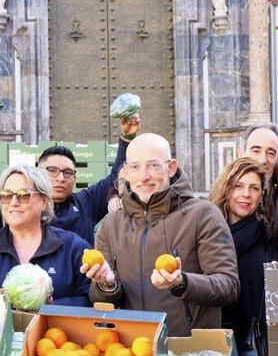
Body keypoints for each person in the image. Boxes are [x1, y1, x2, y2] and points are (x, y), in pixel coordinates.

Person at [83, 133, 238, 336]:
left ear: (171, 167)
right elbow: (101, 300)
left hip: (190, 350)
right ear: (126, 172)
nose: (143, 176)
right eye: (135, 167)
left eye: (153, 165)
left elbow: (228, 286)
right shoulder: (111, 224)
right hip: (135, 351)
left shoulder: (203, 215)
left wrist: (181, 283)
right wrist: (106, 283)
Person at [0, 112, 137, 245]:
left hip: (76, 290)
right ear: (38, 174)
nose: (60, 178)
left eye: (68, 173)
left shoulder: (86, 203)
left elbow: (117, 177)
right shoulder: (17, 200)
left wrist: (127, 138)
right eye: (52, 170)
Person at [0, 164, 91, 305]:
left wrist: (52, 308)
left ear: (44, 200)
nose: (14, 202)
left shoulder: (73, 248)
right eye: (6, 195)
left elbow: (90, 298)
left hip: (55, 327)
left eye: (23, 195)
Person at [207, 158, 271, 356]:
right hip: (212, 343)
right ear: (226, 188)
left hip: (251, 351)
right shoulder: (206, 232)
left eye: (254, 188)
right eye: (238, 186)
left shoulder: (267, 235)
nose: (246, 194)